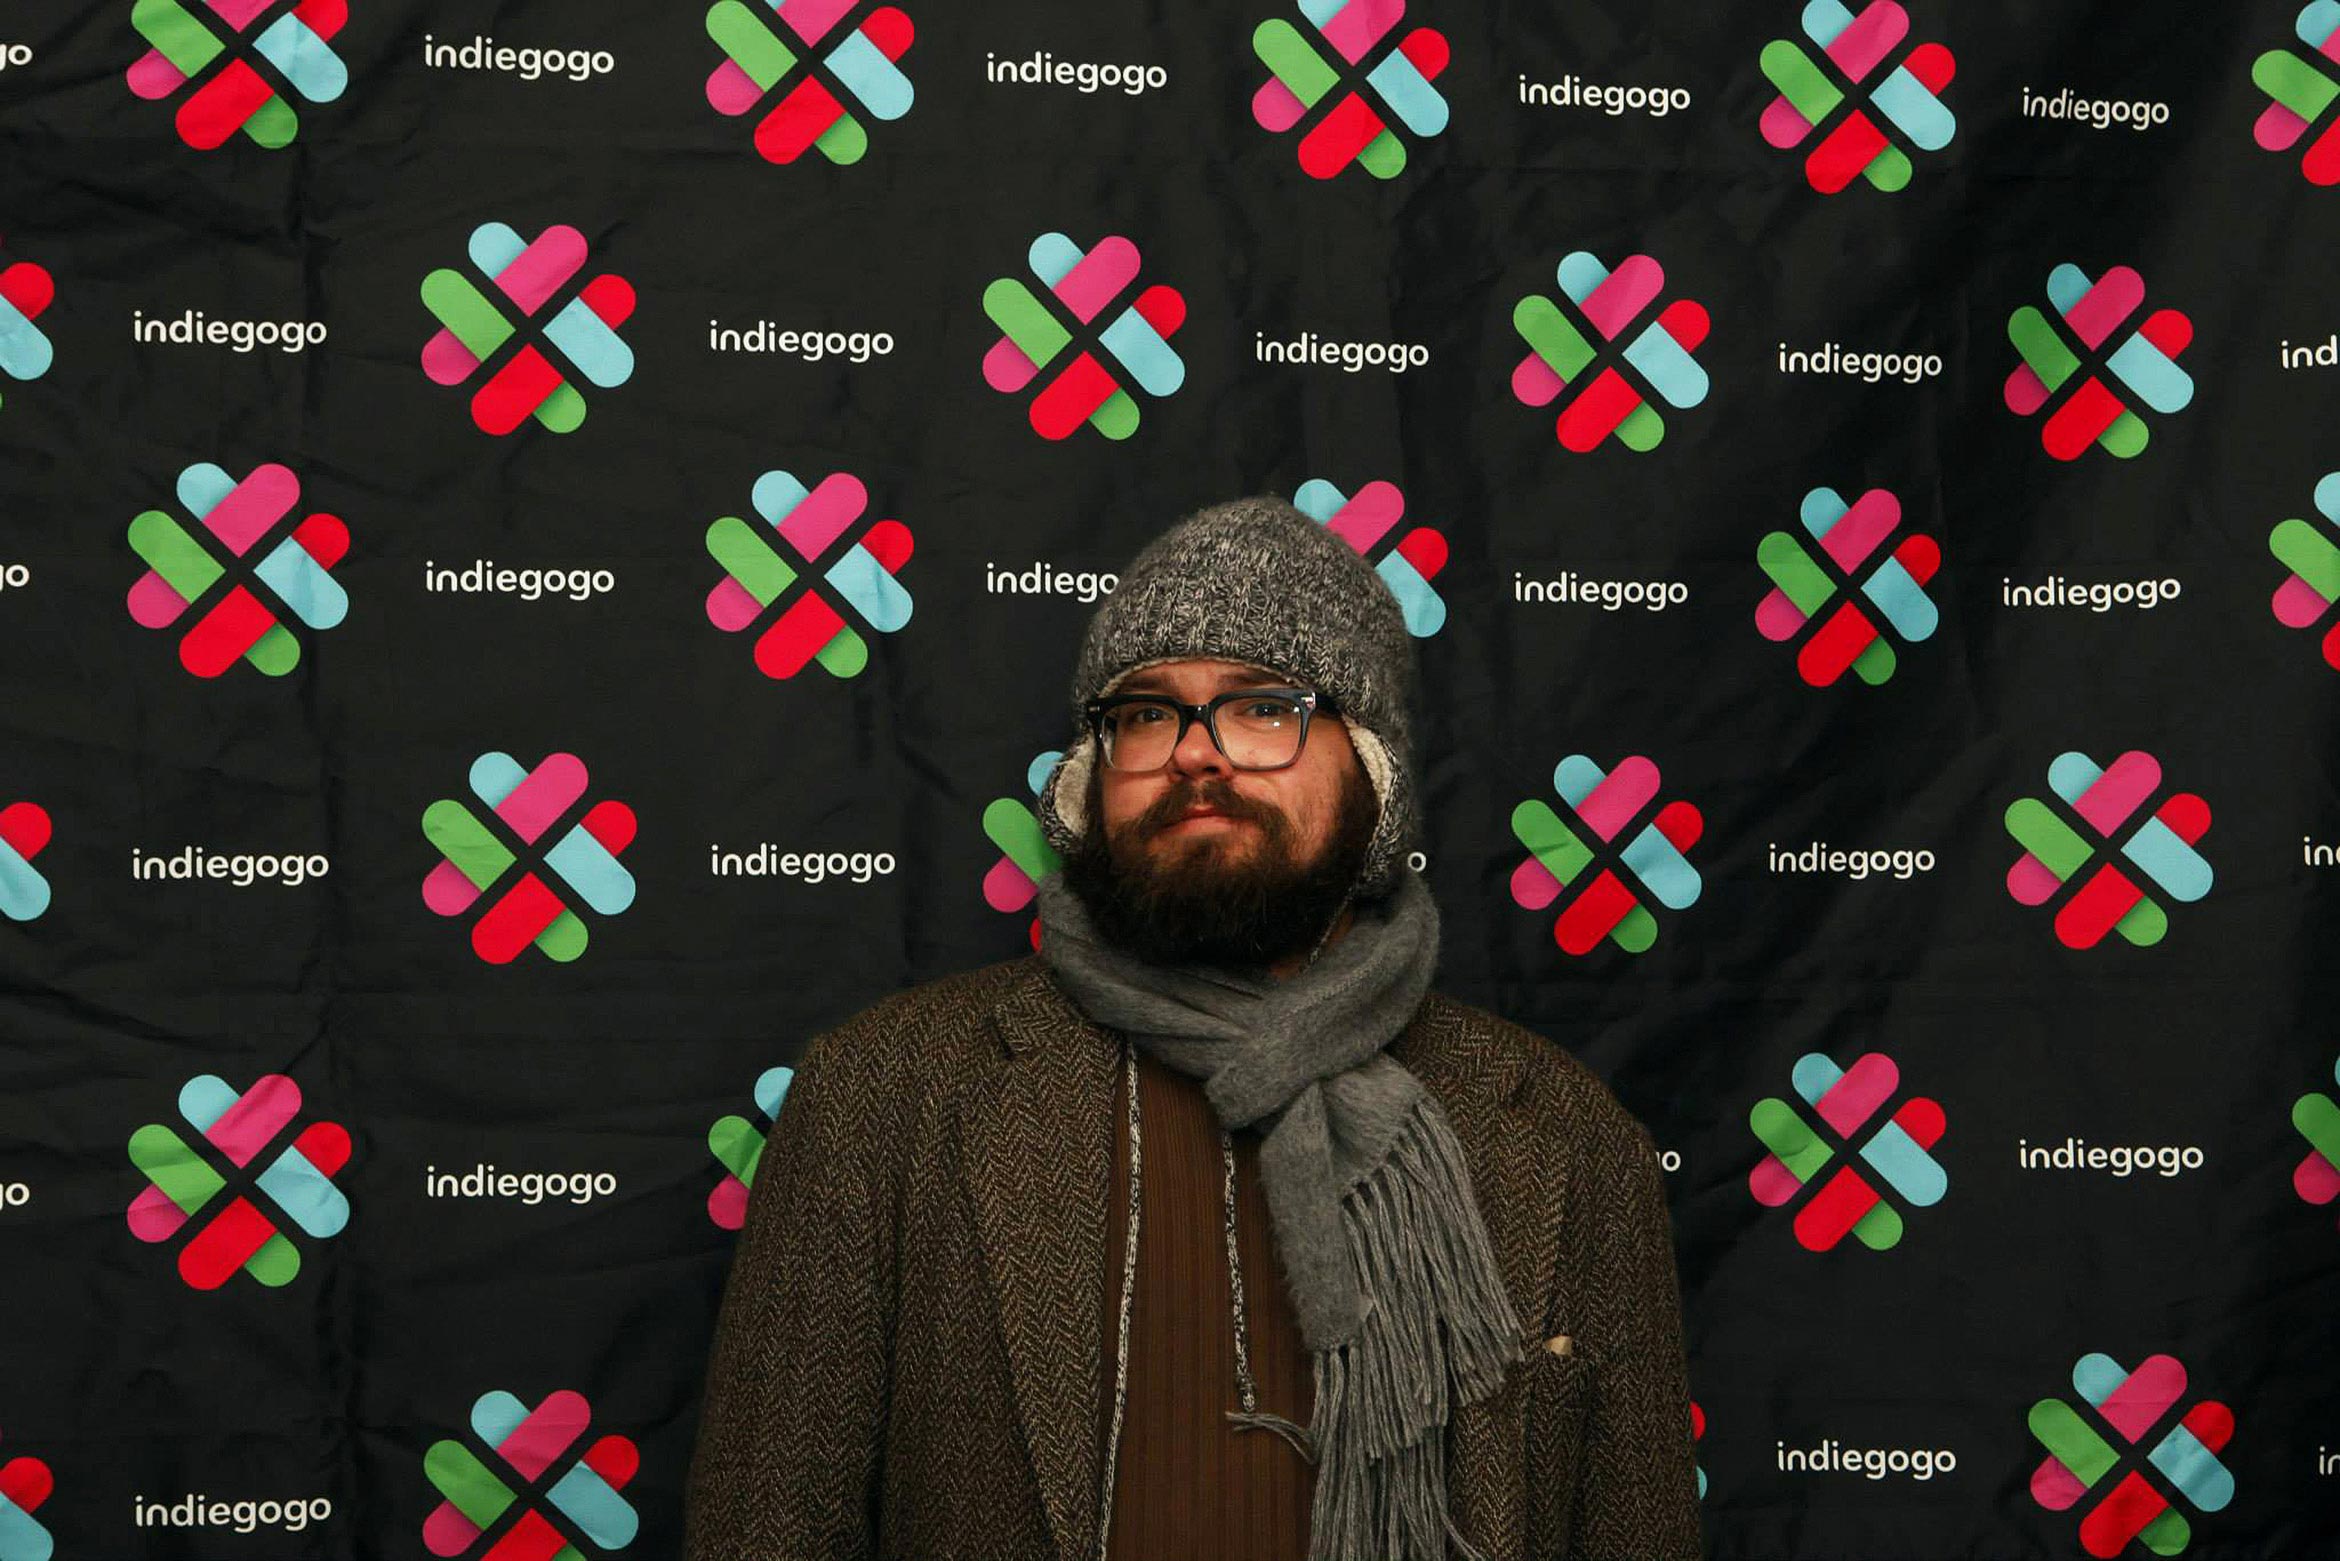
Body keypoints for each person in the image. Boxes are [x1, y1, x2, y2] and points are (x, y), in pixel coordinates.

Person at [682, 495, 1703, 1561]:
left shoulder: (1565, 1135)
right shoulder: (886, 1095)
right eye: (1148, 714)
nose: (1198, 756)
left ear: (1373, 773)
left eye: (1265, 708)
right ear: (1088, 787)